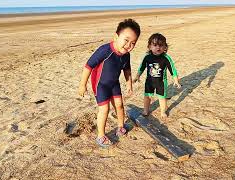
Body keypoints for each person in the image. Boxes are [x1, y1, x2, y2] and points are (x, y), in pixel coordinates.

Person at [78, 19, 140, 148]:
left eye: (133, 43)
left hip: (114, 83)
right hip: (101, 85)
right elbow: (88, 66)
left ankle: (121, 127)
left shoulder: (126, 55)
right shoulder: (105, 50)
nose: (129, 45)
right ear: (116, 36)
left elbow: (127, 70)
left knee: (119, 105)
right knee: (104, 109)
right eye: (126, 40)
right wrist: (82, 85)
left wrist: (129, 84)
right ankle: (101, 136)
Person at [133, 33, 181, 118]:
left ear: (165, 47)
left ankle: (163, 112)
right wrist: (137, 76)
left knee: (162, 98)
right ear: (149, 46)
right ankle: (145, 110)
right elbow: (142, 67)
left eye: (161, 45)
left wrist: (176, 80)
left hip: (161, 83)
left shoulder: (166, 58)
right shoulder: (147, 57)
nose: (158, 47)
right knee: (147, 96)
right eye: (155, 45)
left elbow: (172, 70)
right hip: (149, 82)